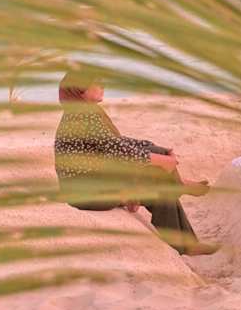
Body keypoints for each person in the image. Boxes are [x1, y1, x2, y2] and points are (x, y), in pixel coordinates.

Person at [54, 70, 218, 255]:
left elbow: (118, 142)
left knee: (157, 169)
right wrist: (159, 159)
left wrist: (157, 149)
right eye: (97, 83)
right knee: (158, 179)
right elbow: (118, 150)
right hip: (87, 191)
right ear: (80, 89)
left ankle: (185, 235)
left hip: (94, 183)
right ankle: (185, 233)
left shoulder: (84, 111)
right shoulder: (82, 115)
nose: (103, 86)